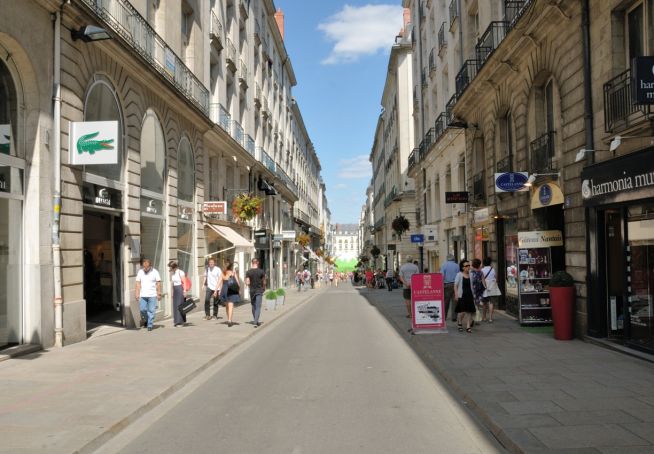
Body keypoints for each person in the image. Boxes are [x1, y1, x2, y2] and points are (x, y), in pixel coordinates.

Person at [135, 258, 161, 332]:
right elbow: (137, 283)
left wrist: (159, 293)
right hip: (143, 294)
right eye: (144, 267)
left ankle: (150, 324)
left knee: (151, 310)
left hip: (152, 295)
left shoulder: (155, 272)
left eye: (147, 267)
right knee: (142, 309)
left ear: (150, 266)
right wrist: (137, 293)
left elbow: (158, 283)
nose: (145, 268)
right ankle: (147, 319)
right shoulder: (140, 272)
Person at [454, 260, 476, 333]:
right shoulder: (459, 275)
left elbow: (472, 285)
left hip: (469, 295)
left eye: (469, 265)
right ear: (463, 267)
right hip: (462, 295)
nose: (468, 267)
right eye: (466, 266)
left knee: (469, 311)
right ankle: (459, 322)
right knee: (462, 311)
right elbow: (455, 285)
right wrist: (456, 294)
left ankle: (468, 326)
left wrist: (474, 294)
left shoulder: (471, 274)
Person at [219, 258, 240, 327]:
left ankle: (228, 318)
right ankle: (229, 320)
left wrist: (217, 291)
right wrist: (239, 289)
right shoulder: (232, 272)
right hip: (231, 289)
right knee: (231, 305)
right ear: (230, 265)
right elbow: (237, 282)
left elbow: (219, 282)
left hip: (224, 290)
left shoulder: (223, 273)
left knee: (227, 306)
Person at [246, 258, 266, 327]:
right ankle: (256, 321)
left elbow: (247, 282)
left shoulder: (248, 272)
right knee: (258, 306)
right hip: (259, 290)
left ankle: (255, 319)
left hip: (252, 290)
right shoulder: (261, 271)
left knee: (253, 306)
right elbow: (264, 281)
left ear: (252, 263)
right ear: (257, 263)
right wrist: (264, 288)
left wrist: (250, 287)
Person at [440, 254, 460, 322]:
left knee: (446, 301)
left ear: (447, 258)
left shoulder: (444, 265)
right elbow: (459, 275)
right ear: (453, 258)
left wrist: (441, 284)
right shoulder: (457, 265)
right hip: (455, 285)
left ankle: (444, 316)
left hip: (446, 285)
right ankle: (454, 317)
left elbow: (442, 276)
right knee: (455, 301)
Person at [168, 261, 187, 327]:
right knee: (175, 306)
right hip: (175, 289)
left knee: (180, 305)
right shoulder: (173, 273)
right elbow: (173, 284)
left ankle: (180, 322)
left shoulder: (180, 272)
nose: (170, 269)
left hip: (180, 289)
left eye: (170, 267)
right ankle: (176, 321)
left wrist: (184, 291)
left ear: (174, 267)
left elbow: (184, 282)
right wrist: (172, 292)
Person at [481, 257, 499, 323]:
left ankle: (484, 317)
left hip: (485, 287)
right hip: (492, 286)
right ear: (490, 262)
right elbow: (496, 278)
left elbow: (481, 279)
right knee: (491, 303)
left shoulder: (482, 270)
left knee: (484, 303)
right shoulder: (493, 269)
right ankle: (491, 318)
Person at [470, 258, 485, 326]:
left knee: (472, 304)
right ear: (479, 265)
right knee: (477, 305)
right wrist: (486, 288)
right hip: (479, 290)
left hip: (472, 289)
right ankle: (476, 320)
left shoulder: (470, 272)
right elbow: (483, 281)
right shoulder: (481, 272)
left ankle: (471, 319)